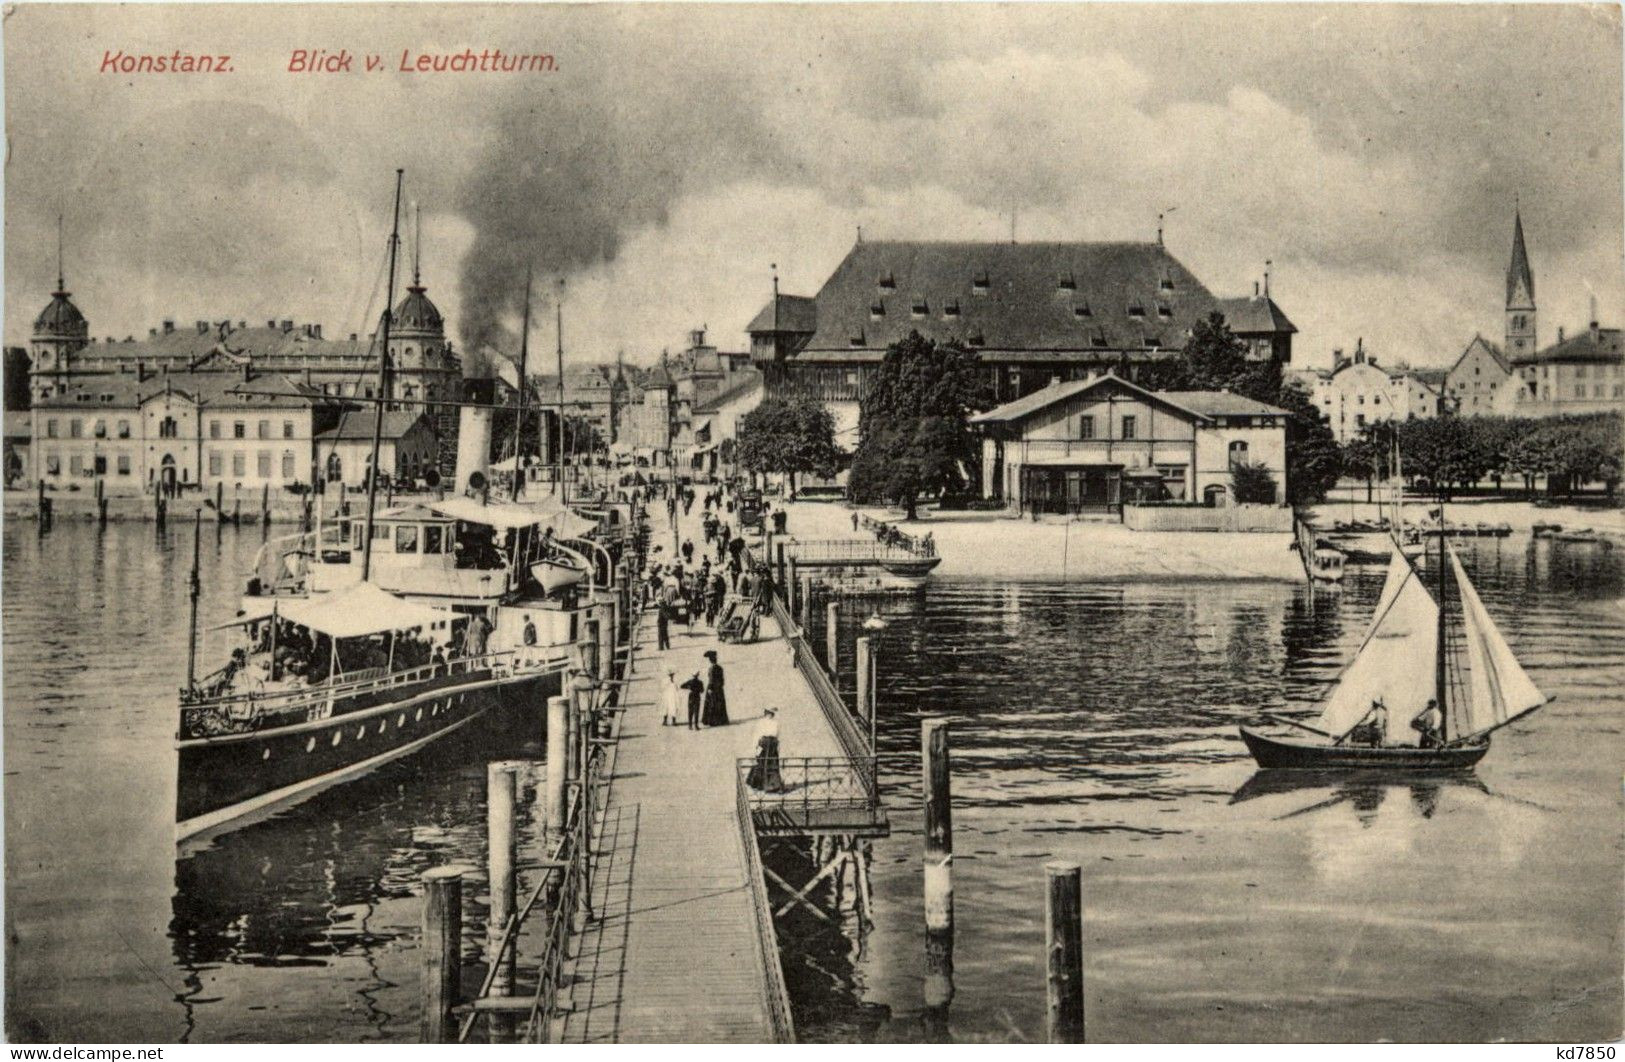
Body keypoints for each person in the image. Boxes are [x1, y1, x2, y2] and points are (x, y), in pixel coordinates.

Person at [745, 708, 784, 792]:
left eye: (771, 713)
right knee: (761, 763)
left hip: (772, 745)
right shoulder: (761, 723)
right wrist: (754, 748)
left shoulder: (776, 723)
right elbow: (757, 735)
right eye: (768, 713)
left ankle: (773, 785)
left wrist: (778, 746)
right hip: (764, 745)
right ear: (765, 713)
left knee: (772, 764)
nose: (769, 715)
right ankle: (760, 784)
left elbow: (778, 735)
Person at [701, 649, 729, 727]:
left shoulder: (711, 669)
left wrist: (710, 688)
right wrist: (720, 686)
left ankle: (712, 721)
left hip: (713, 688)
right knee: (719, 703)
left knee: (712, 703)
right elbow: (722, 679)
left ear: (710, 660)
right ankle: (721, 720)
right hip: (719, 688)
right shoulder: (720, 668)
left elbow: (711, 679)